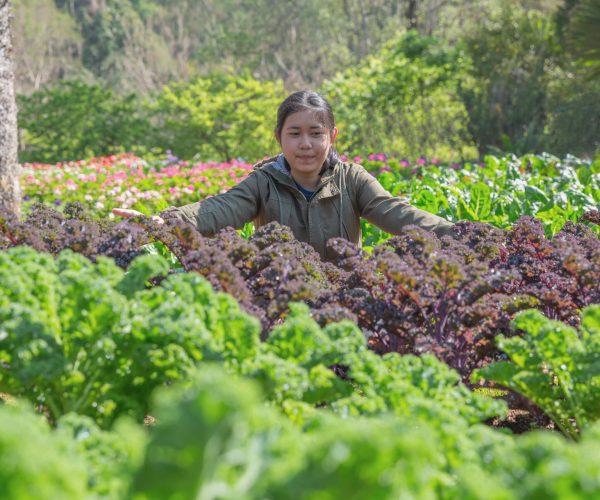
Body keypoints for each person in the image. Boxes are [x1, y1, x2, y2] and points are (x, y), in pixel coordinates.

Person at [113, 90, 455, 260]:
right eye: (294, 133)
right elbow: (219, 208)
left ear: (332, 136)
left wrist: (462, 234)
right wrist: (164, 223)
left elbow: (398, 214)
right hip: (280, 299)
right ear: (279, 136)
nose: (305, 144)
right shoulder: (263, 182)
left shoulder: (352, 179)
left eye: (315, 133)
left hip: (346, 302)